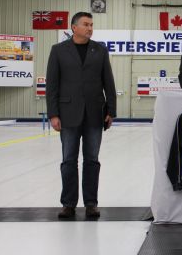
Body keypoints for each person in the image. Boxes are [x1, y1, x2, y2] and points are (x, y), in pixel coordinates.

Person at [46, 12, 116, 219]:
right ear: (74, 27)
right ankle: (68, 204)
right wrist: (53, 114)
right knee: (68, 160)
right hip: (67, 114)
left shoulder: (100, 50)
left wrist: (111, 110)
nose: (90, 28)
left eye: (91, 24)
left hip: (95, 113)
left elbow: (108, 82)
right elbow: (52, 85)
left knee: (92, 160)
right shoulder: (58, 51)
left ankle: (91, 203)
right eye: (86, 24)